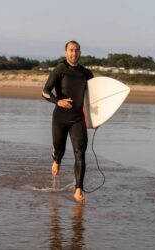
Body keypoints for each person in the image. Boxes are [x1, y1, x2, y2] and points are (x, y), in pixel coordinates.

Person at [42, 40, 93, 203]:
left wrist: (95, 119)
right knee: (59, 148)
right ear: (66, 52)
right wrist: (57, 101)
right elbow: (45, 92)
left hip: (78, 119)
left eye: (77, 50)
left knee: (80, 153)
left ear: (80, 53)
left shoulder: (86, 73)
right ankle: (56, 159)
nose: (74, 53)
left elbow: (95, 98)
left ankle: (78, 190)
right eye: (71, 50)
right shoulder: (60, 69)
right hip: (60, 118)